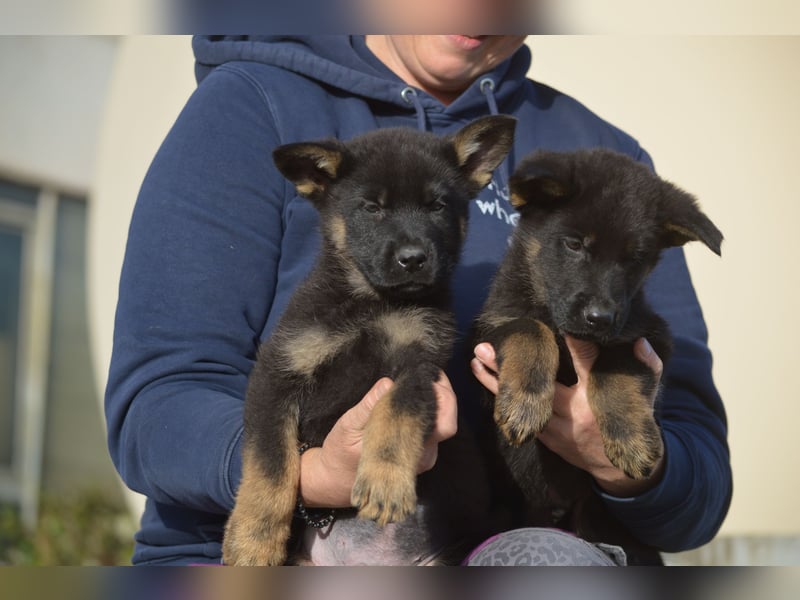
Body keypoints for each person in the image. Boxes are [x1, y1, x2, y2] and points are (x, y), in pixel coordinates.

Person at [104, 35, 732, 565]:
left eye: (437, 207)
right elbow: (156, 406)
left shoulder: (607, 166)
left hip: (497, 541)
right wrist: (310, 477)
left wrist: (623, 462)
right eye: (374, 210)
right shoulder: (251, 106)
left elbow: (696, 477)